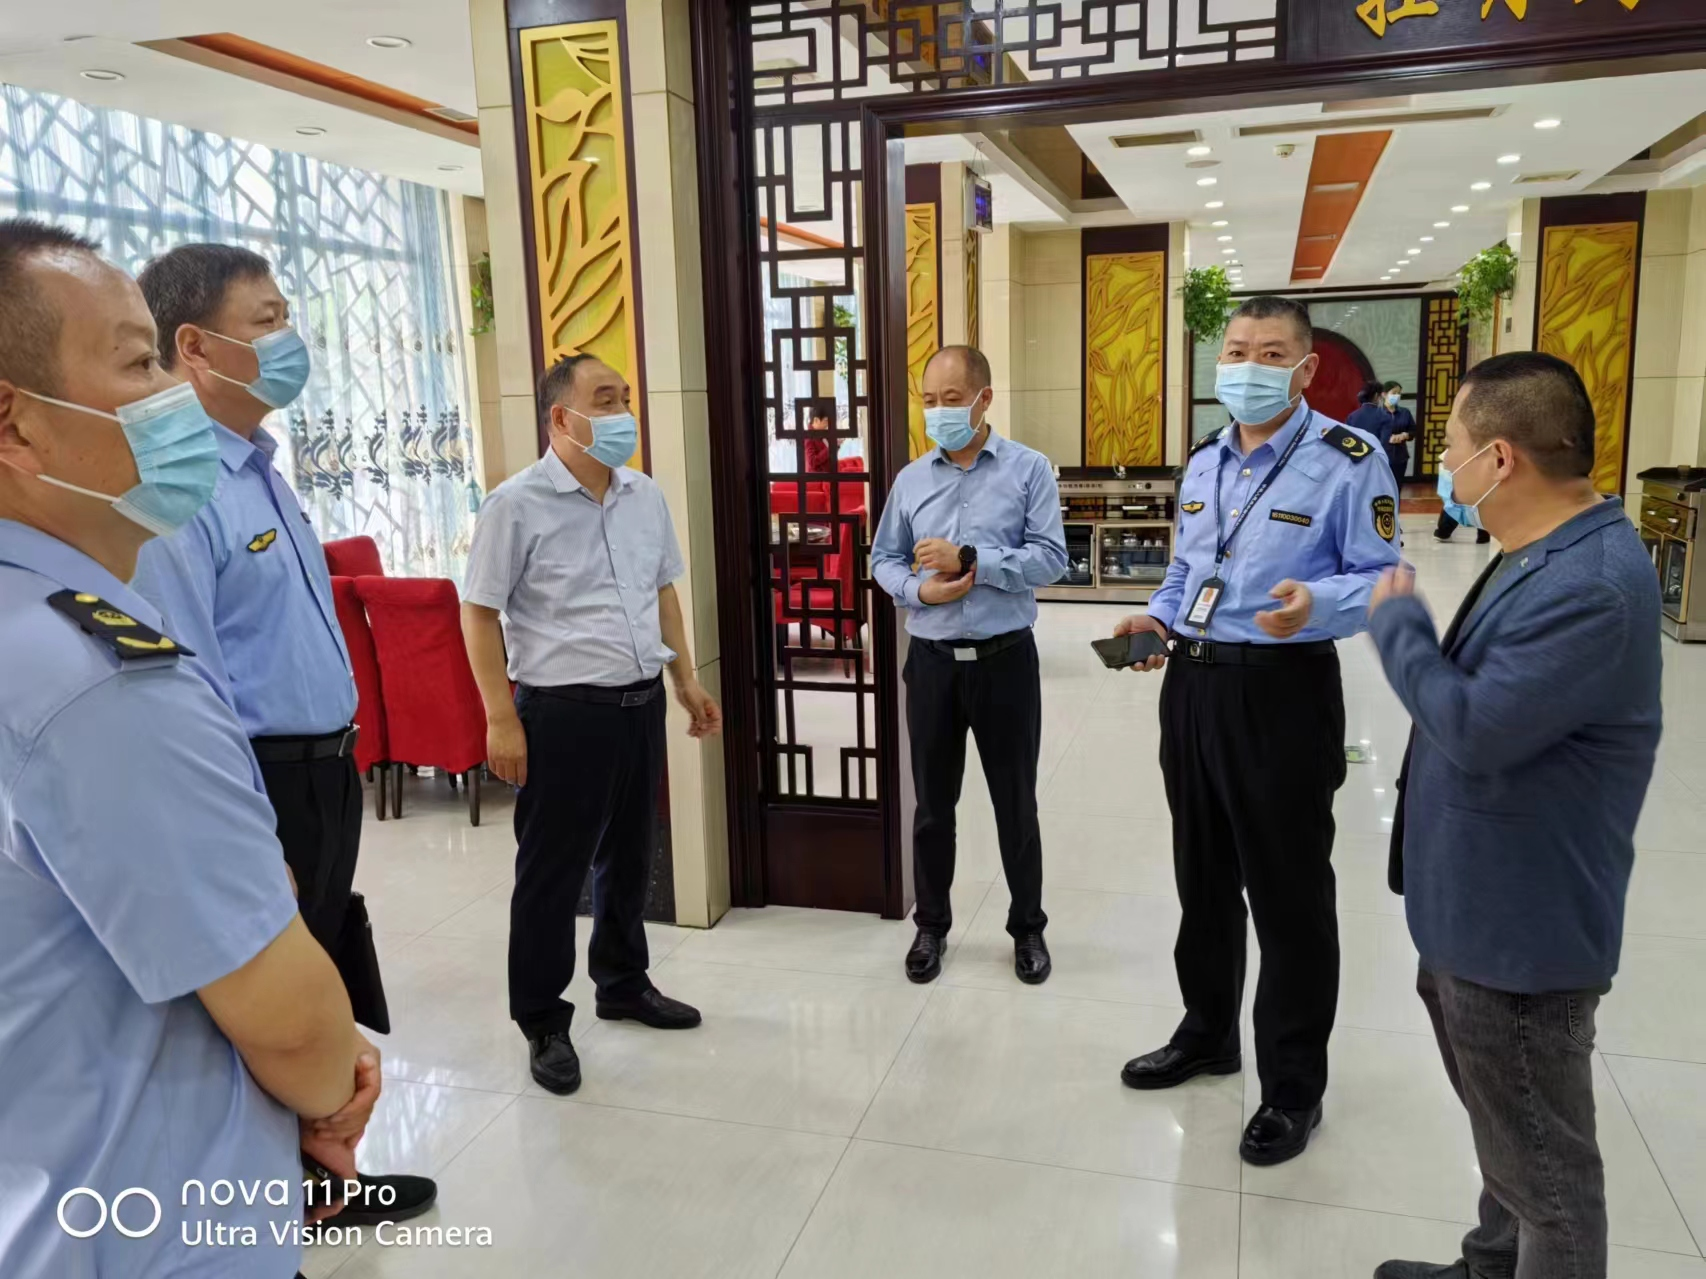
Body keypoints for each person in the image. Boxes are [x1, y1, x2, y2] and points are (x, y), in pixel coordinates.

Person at [0, 218, 374, 1278]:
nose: (172, 392)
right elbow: (291, 1025)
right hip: (155, 1225)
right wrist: (333, 1084)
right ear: (15, 425)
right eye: (139, 363)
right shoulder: (99, 678)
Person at [129, 243, 435, 1226]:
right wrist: (250, 834)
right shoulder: (179, 491)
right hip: (263, 781)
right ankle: (269, 1207)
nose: (289, 339)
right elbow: (188, 687)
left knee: (318, 973)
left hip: (326, 770)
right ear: (194, 345)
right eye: (266, 321)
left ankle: (323, 1176)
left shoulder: (258, 468)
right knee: (266, 997)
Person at [1368, 352, 1661, 1279]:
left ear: (1500, 458)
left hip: (1521, 932)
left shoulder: (1590, 583)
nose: (1442, 463)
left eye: (1451, 445)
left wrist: (1398, 627)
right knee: (1509, 1131)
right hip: (1476, 907)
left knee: (1549, 1176)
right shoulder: (1542, 548)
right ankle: (1493, 1263)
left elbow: (1474, 726)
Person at [1110, 296, 1400, 1167]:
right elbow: (1184, 570)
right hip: (1192, 689)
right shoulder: (1204, 461)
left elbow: (1383, 577)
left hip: (1284, 692)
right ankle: (1207, 1032)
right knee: (1201, 878)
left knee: (1289, 896)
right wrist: (1155, 620)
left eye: (1270, 353)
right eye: (1236, 350)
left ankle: (1293, 1086)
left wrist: (1320, 603)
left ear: (1306, 369)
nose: (1248, 366)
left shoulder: (1348, 460)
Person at [461, 352, 722, 1096]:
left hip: (638, 703)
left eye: (625, 397)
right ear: (562, 417)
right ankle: (543, 1019)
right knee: (553, 874)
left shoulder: (644, 495)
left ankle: (623, 982)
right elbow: (477, 613)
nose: (622, 413)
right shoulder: (515, 504)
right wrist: (500, 717)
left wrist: (685, 679)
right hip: (560, 713)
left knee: (631, 858)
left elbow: (661, 591)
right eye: (605, 400)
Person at [871, 344, 1067, 986]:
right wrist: (918, 591)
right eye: (929, 400)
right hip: (932, 664)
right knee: (933, 806)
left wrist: (973, 560)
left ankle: (1028, 927)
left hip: (1004, 662)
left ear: (984, 399)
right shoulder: (910, 479)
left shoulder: (1028, 469)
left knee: (1016, 803)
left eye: (951, 399)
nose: (938, 411)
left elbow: (1052, 559)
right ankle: (931, 925)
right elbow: (883, 559)